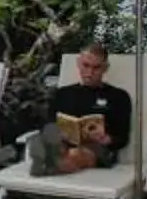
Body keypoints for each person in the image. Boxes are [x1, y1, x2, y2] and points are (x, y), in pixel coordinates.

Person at [28, 46, 132, 176]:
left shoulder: (118, 96)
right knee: (51, 136)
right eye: (86, 65)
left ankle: (47, 165)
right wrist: (59, 133)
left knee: (76, 153)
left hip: (98, 149)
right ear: (78, 63)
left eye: (96, 67)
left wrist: (107, 139)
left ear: (105, 68)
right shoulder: (63, 93)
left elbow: (123, 137)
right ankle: (49, 160)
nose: (90, 72)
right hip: (63, 143)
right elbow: (48, 122)